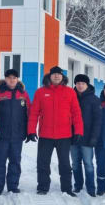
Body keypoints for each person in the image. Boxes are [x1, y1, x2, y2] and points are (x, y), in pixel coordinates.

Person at [28, 66, 83, 197]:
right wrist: (31, 130)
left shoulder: (70, 92)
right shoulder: (40, 92)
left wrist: (79, 131)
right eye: (54, 74)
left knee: (64, 163)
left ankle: (67, 188)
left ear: (62, 77)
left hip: (64, 135)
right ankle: (42, 187)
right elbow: (34, 113)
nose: (57, 76)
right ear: (50, 76)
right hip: (45, 135)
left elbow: (76, 113)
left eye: (59, 74)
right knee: (42, 162)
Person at [0, 69, 31, 195]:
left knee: (15, 161)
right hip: (2, 134)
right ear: (5, 79)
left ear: (17, 79)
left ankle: (13, 186)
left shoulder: (23, 94)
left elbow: (29, 112)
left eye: (14, 78)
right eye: (9, 77)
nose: (12, 80)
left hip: (17, 134)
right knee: (0, 161)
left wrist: (28, 130)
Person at [70, 74, 102, 197]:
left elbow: (98, 120)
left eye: (83, 83)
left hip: (88, 138)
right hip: (73, 137)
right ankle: (78, 185)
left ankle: (90, 188)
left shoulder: (94, 99)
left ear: (87, 85)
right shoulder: (71, 97)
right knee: (75, 163)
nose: (80, 85)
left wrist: (94, 137)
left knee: (88, 163)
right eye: (78, 83)